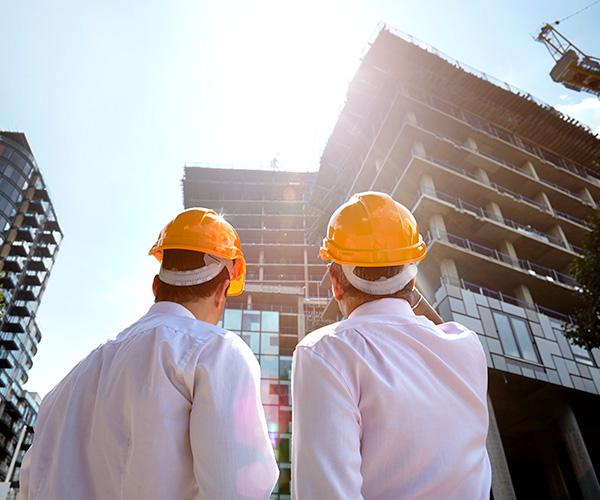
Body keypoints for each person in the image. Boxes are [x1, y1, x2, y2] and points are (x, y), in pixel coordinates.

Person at [19, 208, 279, 500]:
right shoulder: (217, 352)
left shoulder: (63, 389)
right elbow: (238, 492)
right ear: (222, 291)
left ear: (156, 286)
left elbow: (29, 485)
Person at [291, 192, 491, 499]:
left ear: (335, 284)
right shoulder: (466, 345)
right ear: (412, 281)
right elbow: (436, 327)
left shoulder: (324, 352)